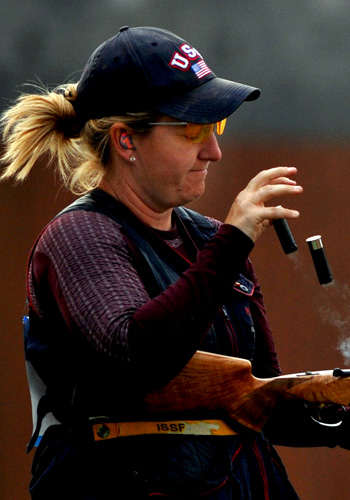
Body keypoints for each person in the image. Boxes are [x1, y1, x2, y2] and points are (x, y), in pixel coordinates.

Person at [1, 25, 349, 500]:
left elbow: (259, 401)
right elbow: (138, 359)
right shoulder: (79, 237)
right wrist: (233, 241)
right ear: (127, 142)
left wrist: (340, 412)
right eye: (193, 129)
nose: (214, 150)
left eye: (216, 127)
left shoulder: (209, 240)